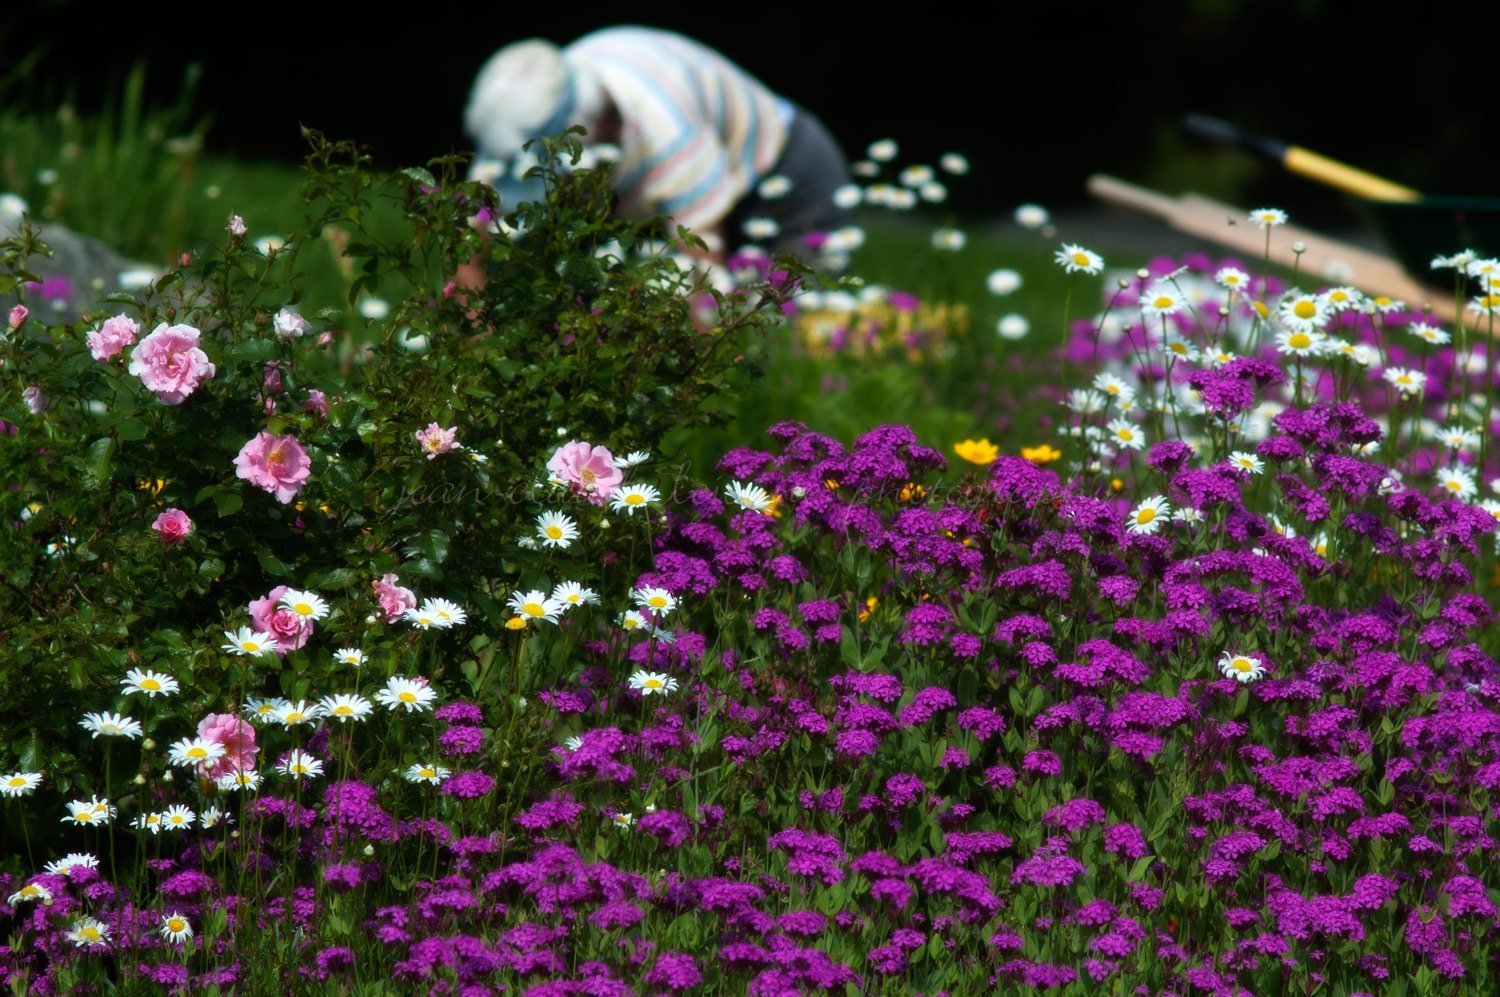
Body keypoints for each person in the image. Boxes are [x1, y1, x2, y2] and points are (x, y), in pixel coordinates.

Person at [464, 26, 851, 262]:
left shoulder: (665, 124)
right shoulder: (515, 121)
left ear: (590, 129)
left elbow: (702, 272)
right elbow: (469, 240)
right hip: (694, 192)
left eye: (554, 172)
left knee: (790, 335)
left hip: (785, 179)